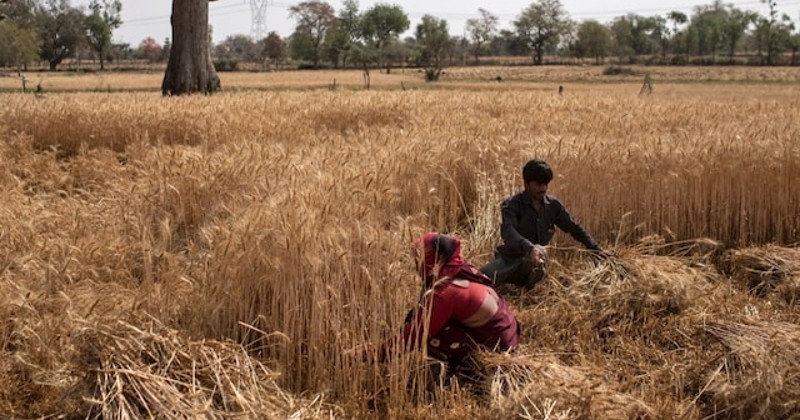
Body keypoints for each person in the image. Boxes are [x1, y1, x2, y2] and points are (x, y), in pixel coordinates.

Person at [357, 232, 520, 384]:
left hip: (498, 350)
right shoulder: (461, 271)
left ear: (435, 259)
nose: (417, 264)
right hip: (507, 336)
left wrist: (367, 354)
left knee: (434, 333)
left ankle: (466, 371)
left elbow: (413, 336)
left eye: (421, 257)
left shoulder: (446, 294)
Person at [481, 159, 611, 289]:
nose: (543, 188)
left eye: (545, 184)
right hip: (510, 259)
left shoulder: (553, 206)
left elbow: (573, 227)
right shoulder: (512, 205)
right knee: (482, 277)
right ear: (526, 183)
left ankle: (529, 283)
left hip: (538, 261)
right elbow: (509, 231)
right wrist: (530, 248)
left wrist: (596, 249)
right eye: (538, 184)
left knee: (538, 259)